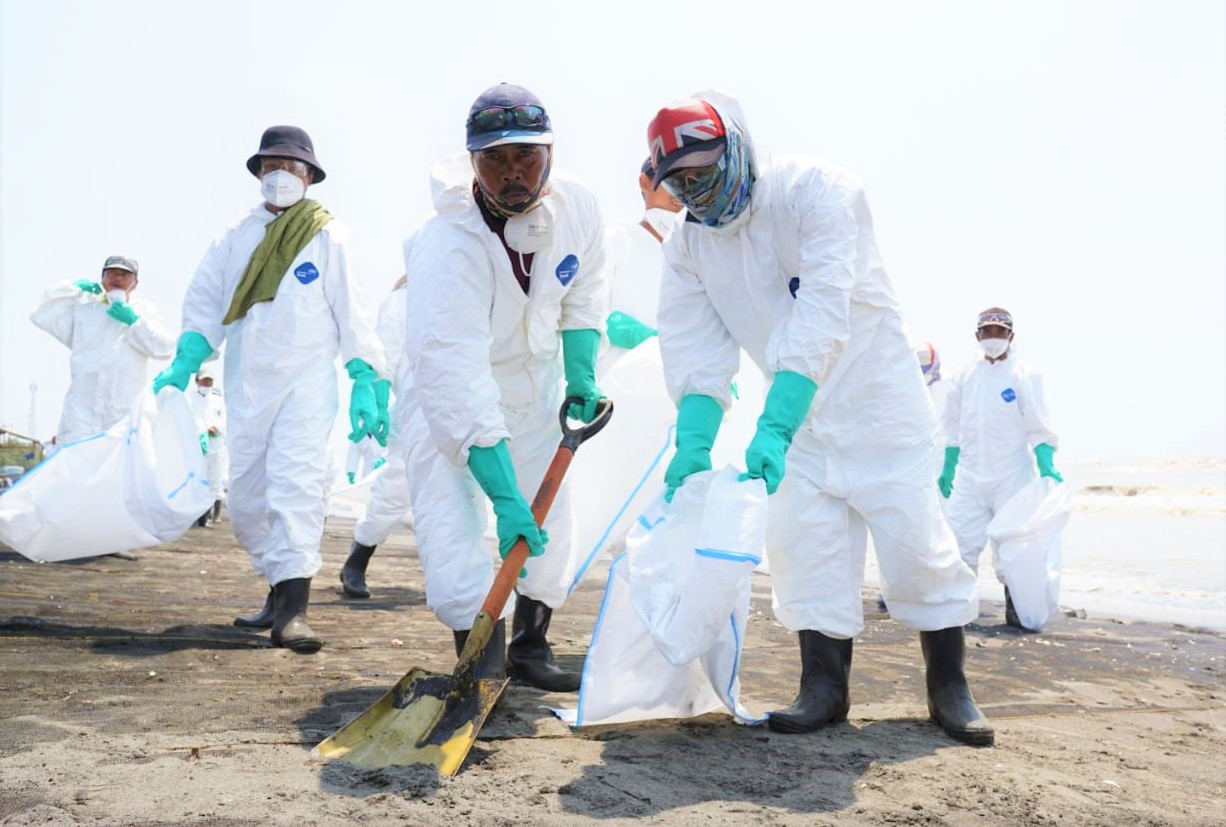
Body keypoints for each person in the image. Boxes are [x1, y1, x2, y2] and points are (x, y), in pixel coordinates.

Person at [647, 91, 993, 745]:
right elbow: (694, 350)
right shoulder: (687, 249)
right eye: (682, 183)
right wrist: (692, 442)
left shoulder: (817, 192)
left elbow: (822, 317)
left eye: (706, 172)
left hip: (879, 409)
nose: (698, 193)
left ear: (738, 149)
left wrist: (771, 424)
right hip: (801, 427)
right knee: (804, 548)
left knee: (921, 551)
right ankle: (823, 688)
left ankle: (950, 686)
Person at [400, 83, 608, 689]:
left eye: (526, 157)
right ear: (472, 162)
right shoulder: (447, 245)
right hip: (444, 394)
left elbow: (586, 295)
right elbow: (453, 375)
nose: (511, 173)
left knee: (550, 520)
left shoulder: (581, 207)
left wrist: (582, 373)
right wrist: (500, 494)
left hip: (533, 380)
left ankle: (530, 644)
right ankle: (478, 662)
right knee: (455, 525)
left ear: (550, 153)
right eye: (494, 159)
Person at [152, 125, 388, 654]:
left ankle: (294, 614)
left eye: (293, 167)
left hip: (305, 386)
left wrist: (365, 380)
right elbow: (205, 302)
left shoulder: (330, 236)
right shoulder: (233, 237)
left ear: (310, 175)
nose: (281, 176)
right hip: (247, 384)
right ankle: (277, 589)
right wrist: (186, 359)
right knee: (251, 497)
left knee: (295, 486)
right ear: (259, 172)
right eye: (271, 166)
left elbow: (354, 314)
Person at [938, 307, 1062, 629]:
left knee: (1013, 549)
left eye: (1000, 332)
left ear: (1011, 336)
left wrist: (1046, 463)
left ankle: (1017, 608)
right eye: (988, 332)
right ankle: (957, 611)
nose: (994, 338)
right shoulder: (962, 376)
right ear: (977, 336)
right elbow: (951, 425)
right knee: (960, 543)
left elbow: (1038, 425)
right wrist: (949, 464)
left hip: (1012, 476)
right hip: (969, 476)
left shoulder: (1025, 375)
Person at [31, 255, 174, 444]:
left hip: (123, 412)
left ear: (136, 282)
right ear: (102, 279)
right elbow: (41, 314)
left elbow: (165, 347)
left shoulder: (144, 310)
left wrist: (135, 322)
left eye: (125, 274)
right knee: (75, 464)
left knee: (122, 468)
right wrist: (71, 289)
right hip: (81, 412)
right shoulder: (86, 308)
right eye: (112, 273)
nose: (118, 278)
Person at [340, 275, 411, 599]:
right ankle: (357, 560)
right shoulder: (402, 301)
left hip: (465, 413)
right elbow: (385, 354)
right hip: (416, 414)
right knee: (394, 490)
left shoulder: (472, 291)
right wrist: (380, 400)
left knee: (464, 499)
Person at [190, 365, 228, 527]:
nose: (207, 385)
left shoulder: (217, 399)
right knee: (198, 478)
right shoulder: (190, 398)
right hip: (198, 443)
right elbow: (192, 417)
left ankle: (214, 514)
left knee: (215, 478)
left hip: (215, 443)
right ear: (197, 381)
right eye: (204, 381)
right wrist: (203, 429)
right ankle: (199, 516)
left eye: (209, 382)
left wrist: (216, 428)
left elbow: (224, 418)